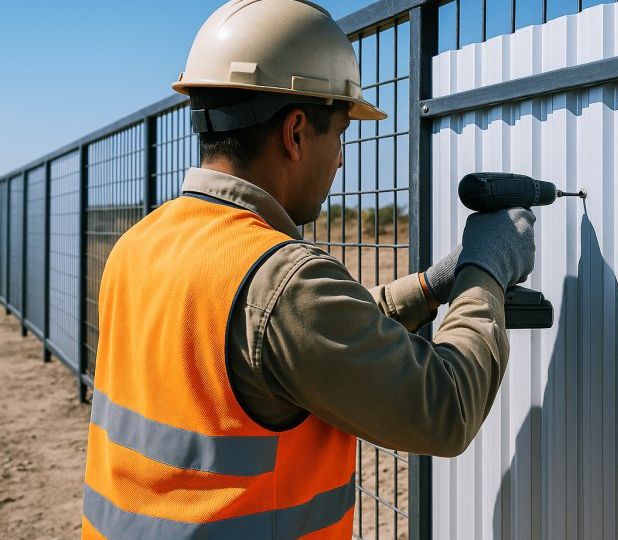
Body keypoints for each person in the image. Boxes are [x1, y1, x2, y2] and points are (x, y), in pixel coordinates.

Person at [81, 1, 536, 538]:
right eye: (340, 133)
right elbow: (446, 407)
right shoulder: (281, 279)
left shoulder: (138, 244)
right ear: (296, 133)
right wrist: (486, 269)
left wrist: (431, 288)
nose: (341, 159)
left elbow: (290, 339)